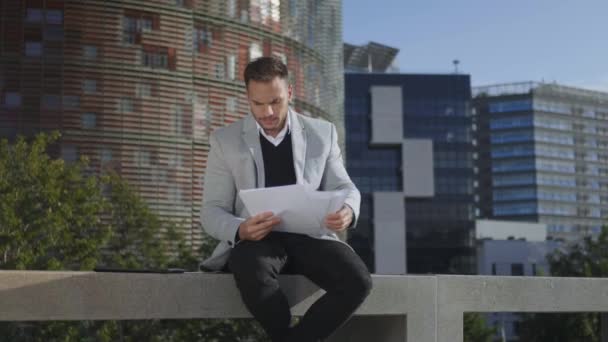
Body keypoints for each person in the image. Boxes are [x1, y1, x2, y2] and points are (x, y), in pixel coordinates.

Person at [200, 56, 372, 342]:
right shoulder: (224, 141)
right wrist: (241, 229)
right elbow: (211, 212)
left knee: (358, 282)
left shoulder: (322, 133)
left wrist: (347, 210)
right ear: (248, 98)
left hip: (310, 239)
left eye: (276, 102)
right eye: (258, 104)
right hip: (256, 242)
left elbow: (345, 186)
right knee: (249, 266)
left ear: (290, 93)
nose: (267, 112)